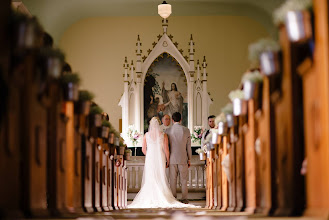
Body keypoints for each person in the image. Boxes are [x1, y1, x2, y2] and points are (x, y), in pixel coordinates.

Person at [128, 117, 198, 208]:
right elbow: (166, 150)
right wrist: (168, 160)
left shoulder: (146, 135)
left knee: (151, 176)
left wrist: (149, 155)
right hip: (160, 158)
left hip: (150, 158)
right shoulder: (163, 135)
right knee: (160, 176)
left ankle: (150, 195)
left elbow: (143, 149)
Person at [165, 112, 192, 204]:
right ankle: (185, 198)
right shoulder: (186, 130)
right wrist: (189, 159)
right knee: (184, 179)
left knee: (173, 179)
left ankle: (173, 198)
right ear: (181, 119)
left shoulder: (168, 130)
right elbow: (188, 146)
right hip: (183, 158)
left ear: (172, 120)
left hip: (172, 158)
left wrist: (166, 159)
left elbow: (166, 147)